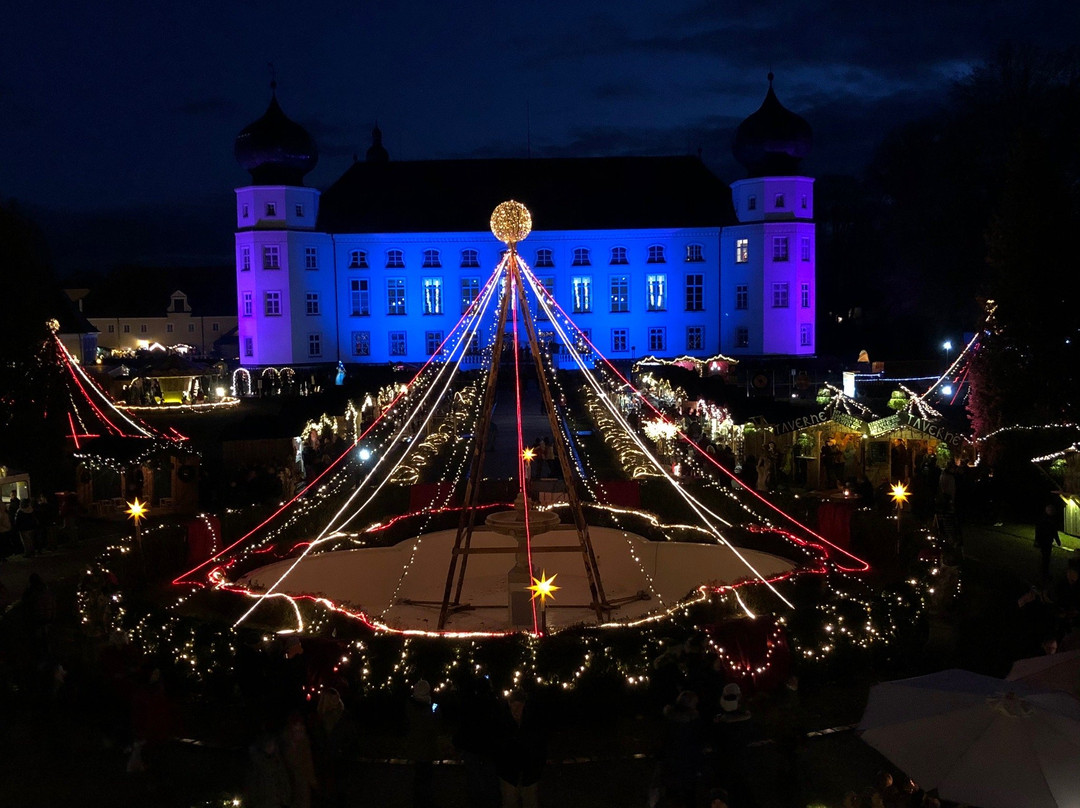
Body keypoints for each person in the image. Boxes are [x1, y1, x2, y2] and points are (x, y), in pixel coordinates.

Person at [494, 689, 546, 808]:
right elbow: (497, 747)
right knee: (510, 802)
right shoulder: (503, 722)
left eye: (519, 706)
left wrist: (537, 766)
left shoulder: (532, 722)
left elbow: (540, 746)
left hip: (529, 773)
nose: (516, 710)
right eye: (514, 706)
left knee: (530, 802)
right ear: (509, 705)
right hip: (509, 774)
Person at [655, 690, 706, 808]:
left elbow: (662, 741)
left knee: (673, 797)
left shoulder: (669, 720)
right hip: (687, 765)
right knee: (688, 796)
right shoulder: (693, 722)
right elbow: (697, 744)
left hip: (672, 764)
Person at [405, 679, 438, 808]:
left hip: (417, 746)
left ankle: (419, 800)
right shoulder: (427, 708)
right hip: (425, 746)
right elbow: (433, 725)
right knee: (425, 776)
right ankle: (424, 801)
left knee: (419, 775)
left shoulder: (410, 705)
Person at [1034, 502, 1062, 582]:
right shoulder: (1047, 520)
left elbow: (1053, 531)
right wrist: (1057, 540)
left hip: (1046, 541)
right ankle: (1044, 574)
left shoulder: (1046, 519)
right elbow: (1040, 530)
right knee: (1045, 558)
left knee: (1045, 558)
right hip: (1045, 541)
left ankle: (1044, 573)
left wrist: (1057, 540)